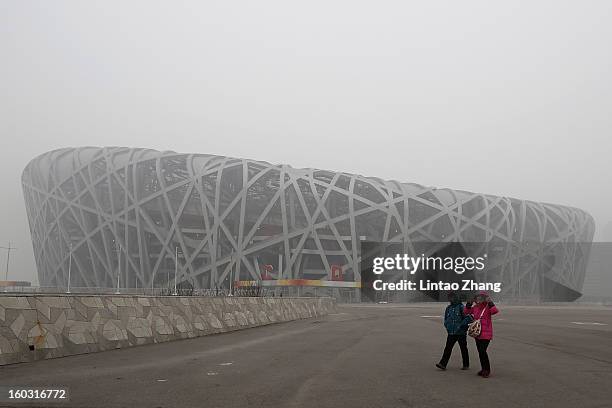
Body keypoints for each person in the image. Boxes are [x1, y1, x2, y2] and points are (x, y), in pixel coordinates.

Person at [465, 291, 499, 378]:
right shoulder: (475, 307)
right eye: (477, 298)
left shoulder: (487, 307)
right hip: (477, 333)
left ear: (484, 298)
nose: (478, 299)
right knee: (480, 352)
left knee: (482, 351)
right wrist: (469, 304)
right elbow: (466, 312)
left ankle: (487, 370)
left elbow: (495, 311)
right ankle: (484, 369)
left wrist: (490, 302)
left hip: (486, 333)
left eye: (480, 297)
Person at [436, 291, 473, 371]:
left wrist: (461, 325)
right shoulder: (448, 308)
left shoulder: (461, 307)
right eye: (449, 297)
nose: (450, 299)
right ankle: (443, 364)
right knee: (448, 348)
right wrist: (447, 325)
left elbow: (468, 318)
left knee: (463, 348)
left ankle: (466, 364)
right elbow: (446, 318)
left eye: (452, 297)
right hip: (451, 332)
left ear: (456, 297)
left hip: (461, 332)